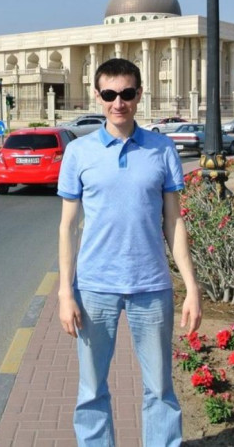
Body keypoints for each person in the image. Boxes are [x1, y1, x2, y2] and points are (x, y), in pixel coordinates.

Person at [57, 58, 202, 446]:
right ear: (97, 96)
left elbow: (174, 222)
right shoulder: (79, 153)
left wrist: (191, 287)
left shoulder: (162, 149)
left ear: (139, 95)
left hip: (150, 287)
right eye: (109, 94)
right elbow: (68, 227)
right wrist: (65, 292)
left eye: (126, 93)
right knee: (92, 390)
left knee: (160, 389)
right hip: (94, 288)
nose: (117, 103)